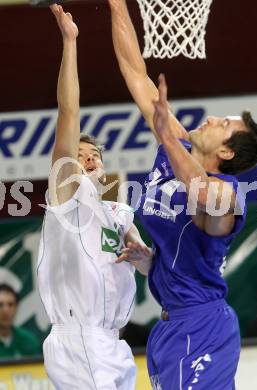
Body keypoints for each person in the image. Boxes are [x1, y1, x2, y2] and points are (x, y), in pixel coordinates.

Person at [108, 1, 257, 388]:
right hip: (169, 329)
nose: (212, 118)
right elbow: (134, 70)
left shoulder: (228, 196)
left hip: (203, 326)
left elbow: (199, 191)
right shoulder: (172, 150)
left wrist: (165, 133)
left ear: (226, 152)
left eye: (224, 124)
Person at [37, 5, 152, 390]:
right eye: (80, 154)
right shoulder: (68, 195)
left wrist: (147, 261)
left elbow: (147, 267)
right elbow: (68, 112)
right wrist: (70, 42)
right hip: (79, 336)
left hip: (113, 342)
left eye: (94, 155)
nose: (87, 159)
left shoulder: (119, 213)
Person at [0, 284, 40, 359]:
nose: (5, 310)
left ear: (17, 308)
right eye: (0, 305)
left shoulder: (29, 341)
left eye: (10, 304)